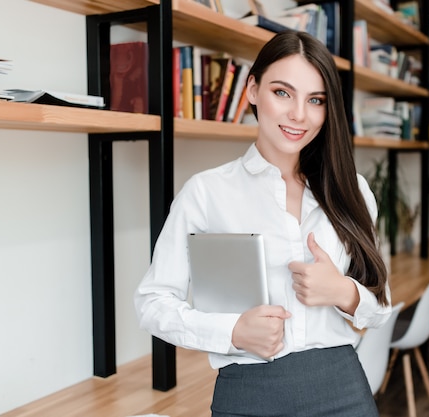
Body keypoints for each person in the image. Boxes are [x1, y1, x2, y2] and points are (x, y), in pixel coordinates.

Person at [134, 30, 393, 417]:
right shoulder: (206, 193)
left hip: (342, 387)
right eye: (282, 93)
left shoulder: (351, 190)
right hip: (248, 390)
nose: (299, 115)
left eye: (315, 100)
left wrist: (342, 291)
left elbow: (380, 306)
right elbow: (152, 303)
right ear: (253, 90)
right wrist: (232, 332)